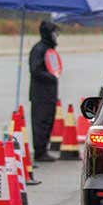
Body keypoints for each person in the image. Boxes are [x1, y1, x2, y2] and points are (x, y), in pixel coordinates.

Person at [29, 19, 62, 162]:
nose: (56, 36)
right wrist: (51, 77)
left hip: (49, 94)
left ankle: (44, 149)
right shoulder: (39, 49)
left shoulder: (48, 50)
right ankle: (40, 151)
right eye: (54, 33)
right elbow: (35, 70)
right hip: (41, 94)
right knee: (41, 123)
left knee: (48, 121)